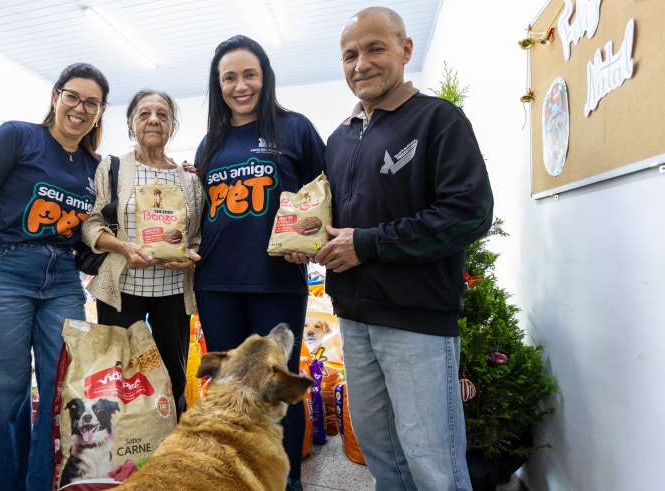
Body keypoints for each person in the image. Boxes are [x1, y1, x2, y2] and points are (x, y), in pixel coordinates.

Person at [297, 7, 493, 491]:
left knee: (433, 462)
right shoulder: (339, 139)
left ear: (405, 50)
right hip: (355, 318)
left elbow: (468, 212)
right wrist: (308, 240)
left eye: (374, 48)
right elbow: (336, 220)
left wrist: (368, 244)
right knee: (379, 450)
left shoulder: (439, 120)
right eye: (349, 55)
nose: (360, 63)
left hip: (417, 320)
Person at [0, 63, 109, 491]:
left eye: (92, 102)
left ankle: (43, 485)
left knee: (66, 390)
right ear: (55, 96)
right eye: (73, 96)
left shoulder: (95, 166)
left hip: (62, 278)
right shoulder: (18, 136)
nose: (80, 107)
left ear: (100, 111)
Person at [192, 35, 327, 491]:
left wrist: (310, 243)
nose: (240, 85)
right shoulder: (209, 143)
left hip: (277, 280)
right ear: (218, 85)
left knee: (279, 387)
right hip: (216, 283)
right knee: (229, 391)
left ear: (265, 77)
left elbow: (322, 199)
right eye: (229, 77)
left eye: (249, 74)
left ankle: (286, 483)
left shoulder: (296, 129)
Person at [82, 89, 204, 418]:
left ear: (172, 126)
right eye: (144, 114)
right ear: (130, 125)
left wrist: (189, 253)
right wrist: (123, 247)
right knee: (118, 379)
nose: (153, 119)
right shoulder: (113, 168)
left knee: (172, 378)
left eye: (163, 114)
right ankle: (123, 455)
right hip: (121, 291)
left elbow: (197, 236)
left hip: (173, 293)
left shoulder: (190, 180)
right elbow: (91, 225)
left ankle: (168, 448)